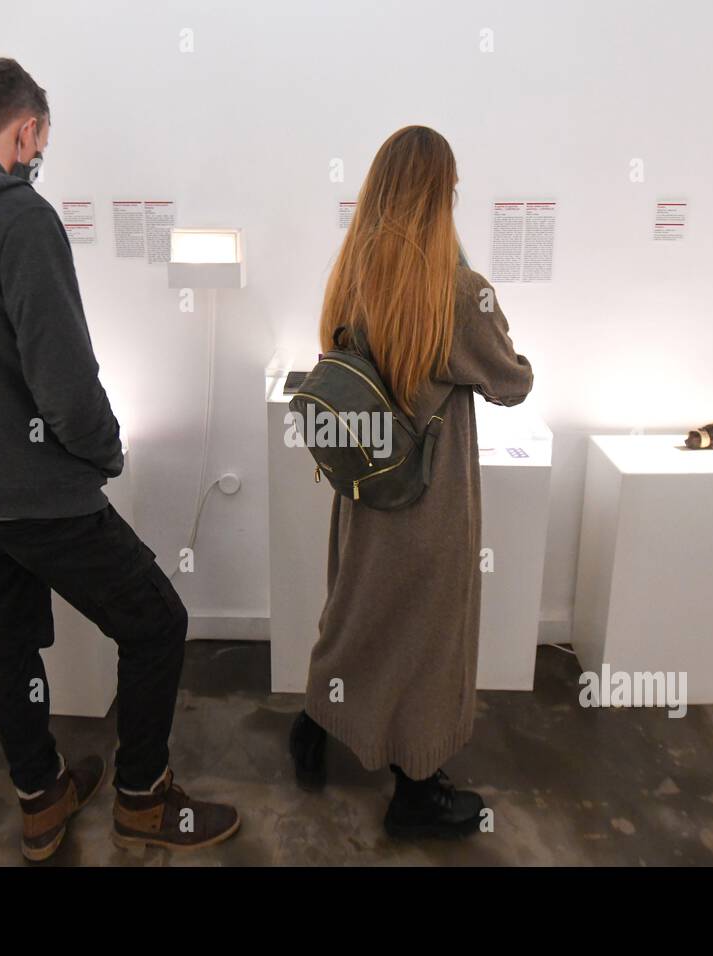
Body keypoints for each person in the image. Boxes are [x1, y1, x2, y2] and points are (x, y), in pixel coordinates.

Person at [0, 44, 239, 860]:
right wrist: (100, 453)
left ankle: (40, 799)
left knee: (9, 638)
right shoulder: (18, 217)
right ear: (28, 129)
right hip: (42, 493)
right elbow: (65, 380)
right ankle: (142, 798)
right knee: (156, 622)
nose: (38, 157)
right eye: (41, 143)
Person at [289, 125, 534, 838]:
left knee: (352, 616)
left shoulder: (350, 276)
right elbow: (511, 383)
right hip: (431, 502)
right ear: (440, 197)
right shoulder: (460, 292)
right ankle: (417, 790)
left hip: (365, 491)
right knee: (430, 642)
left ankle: (314, 727)